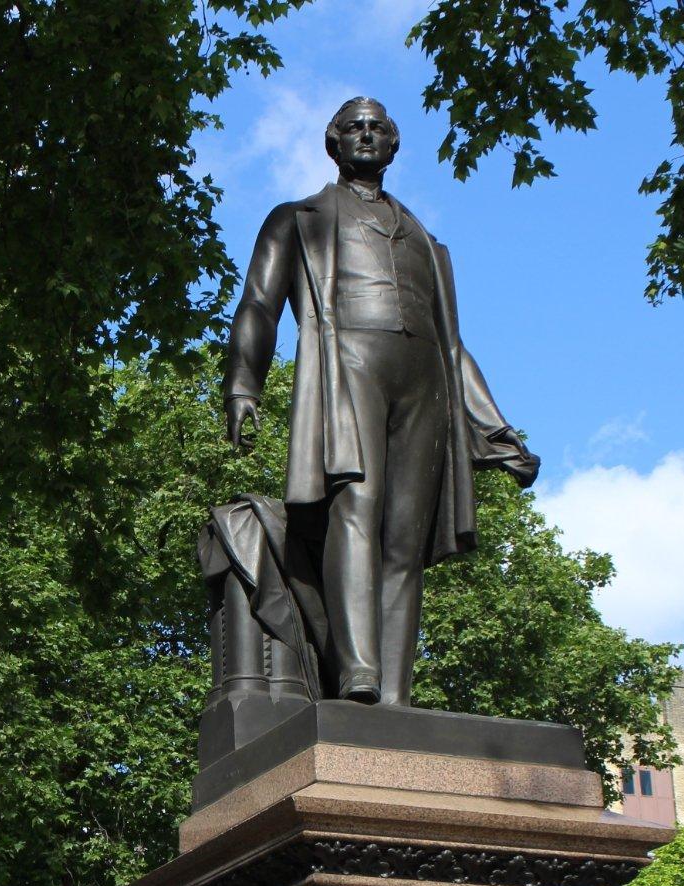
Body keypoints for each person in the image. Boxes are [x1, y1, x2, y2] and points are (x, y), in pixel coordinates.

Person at [223, 96, 540, 706]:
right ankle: (358, 670)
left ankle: (394, 692)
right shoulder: (298, 218)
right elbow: (258, 307)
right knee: (356, 509)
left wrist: (494, 430)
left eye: (377, 129)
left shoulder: (427, 240)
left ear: (393, 144)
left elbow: (453, 345)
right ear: (332, 142)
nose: (365, 136)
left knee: (405, 537)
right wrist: (243, 385)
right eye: (353, 128)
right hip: (349, 367)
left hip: (425, 380)